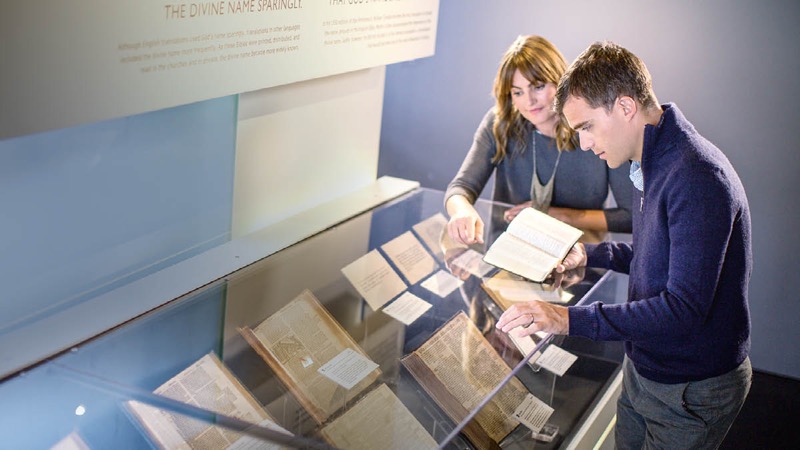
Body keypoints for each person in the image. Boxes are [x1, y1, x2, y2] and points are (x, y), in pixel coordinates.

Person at [496, 41, 752, 449]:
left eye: (586, 127)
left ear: (626, 107)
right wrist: (589, 254)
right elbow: (656, 256)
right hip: (646, 367)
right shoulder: (651, 158)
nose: (583, 144)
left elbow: (682, 310)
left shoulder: (697, 177)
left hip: (690, 386)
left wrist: (567, 319)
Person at [444, 35, 632, 246]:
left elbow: (631, 216)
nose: (529, 101)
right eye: (518, 92)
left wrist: (559, 215)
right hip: (510, 250)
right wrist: (462, 210)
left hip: (580, 256)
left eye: (538, 86)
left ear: (560, 80)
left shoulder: (594, 127)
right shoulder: (499, 123)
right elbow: (460, 187)